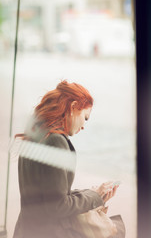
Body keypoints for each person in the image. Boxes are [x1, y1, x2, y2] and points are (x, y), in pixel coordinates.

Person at [13, 80, 125, 238]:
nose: (84, 126)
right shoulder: (55, 141)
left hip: (27, 229)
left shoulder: (37, 134)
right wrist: (96, 197)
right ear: (73, 107)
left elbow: (48, 194)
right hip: (47, 232)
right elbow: (57, 206)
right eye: (85, 118)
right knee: (115, 231)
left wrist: (93, 193)